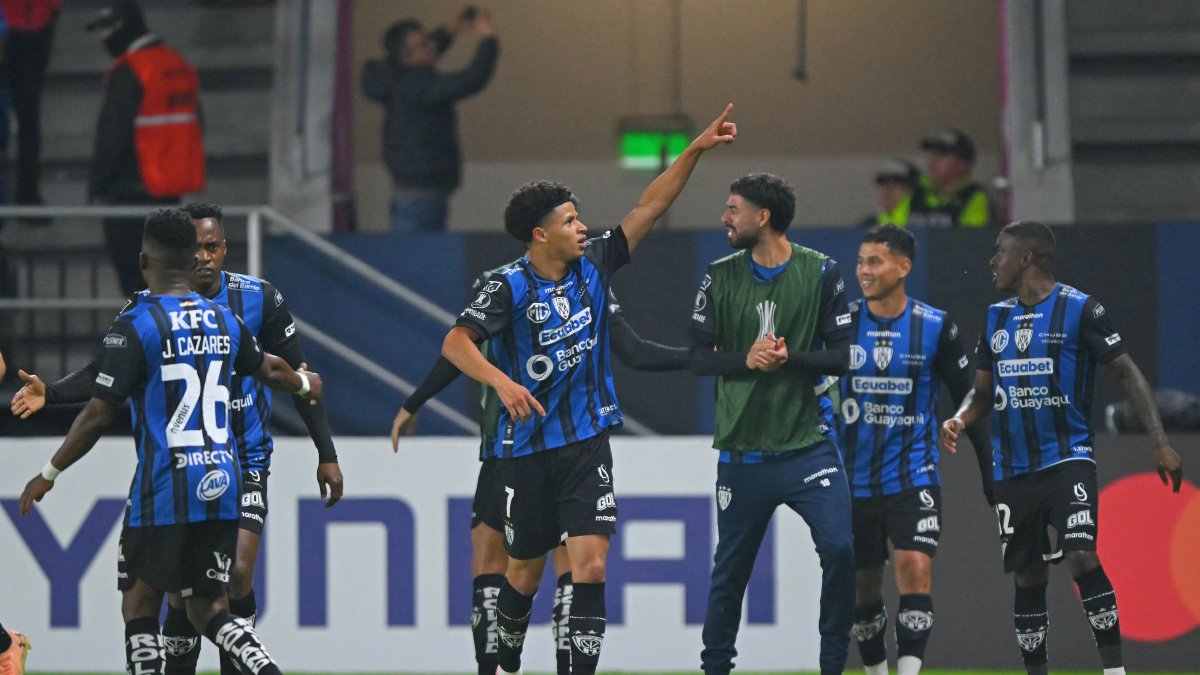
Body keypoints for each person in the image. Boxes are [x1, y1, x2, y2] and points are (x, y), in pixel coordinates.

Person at [439, 104, 735, 675]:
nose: (582, 227)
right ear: (540, 234)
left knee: (591, 568)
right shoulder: (507, 287)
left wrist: (695, 149)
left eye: (580, 218)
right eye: (571, 220)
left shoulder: (595, 265)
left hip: (587, 446)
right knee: (523, 575)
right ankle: (507, 642)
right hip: (527, 453)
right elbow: (455, 343)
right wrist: (502, 382)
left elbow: (651, 205)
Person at [9, 202, 344, 675]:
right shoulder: (223, 320)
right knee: (203, 604)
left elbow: (101, 410)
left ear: (144, 262)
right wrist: (306, 383)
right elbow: (271, 368)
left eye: (214, 246)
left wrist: (49, 472)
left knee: (142, 601)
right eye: (199, 248)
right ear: (189, 258)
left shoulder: (147, 319)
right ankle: (263, 667)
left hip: (168, 479)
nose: (206, 256)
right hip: (221, 473)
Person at [393, 274, 689, 675]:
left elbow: (461, 350)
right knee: (544, 567)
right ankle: (510, 665)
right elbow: (460, 347)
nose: (582, 239)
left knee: (528, 564)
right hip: (533, 443)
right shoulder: (534, 283)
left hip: (530, 445)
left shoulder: (521, 282)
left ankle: (509, 669)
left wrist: (414, 402)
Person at [940, 221, 1184, 675]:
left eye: (1000, 252)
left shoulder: (1080, 309)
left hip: (1068, 459)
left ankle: (1114, 671)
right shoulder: (996, 317)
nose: (992, 261)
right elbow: (983, 391)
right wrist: (960, 417)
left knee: (1081, 555)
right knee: (1028, 572)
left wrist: (1160, 441)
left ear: (1026, 259)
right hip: (1013, 469)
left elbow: (1126, 371)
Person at [689, 173, 854, 675]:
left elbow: (841, 357)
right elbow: (698, 359)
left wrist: (789, 359)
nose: (725, 217)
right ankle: (716, 668)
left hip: (809, 447)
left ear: (762, 217)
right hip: (743, 452)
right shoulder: (718, 276)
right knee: (730, 573)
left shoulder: (822, 272)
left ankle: (832, 667)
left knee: (840, 548)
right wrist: (746, 359)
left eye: (733, 209)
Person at [838, 225, 994, 675]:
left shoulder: (935, 326)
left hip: (913, 475)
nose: (863, 271)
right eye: (860, 262)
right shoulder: (841, 324)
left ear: (904, 267)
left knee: (914, 568)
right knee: (864, 590)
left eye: (874, 261)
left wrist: (991, 479)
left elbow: (971, 396)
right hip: (853, 482)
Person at [87, 0, 204, 295]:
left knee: (135, 285)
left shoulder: (131, 69)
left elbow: (112, 134)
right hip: (170, 192)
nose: (103, 39)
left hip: (128, 193)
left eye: (105, 30)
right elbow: (196, 124)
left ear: (121, 27)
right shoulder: (178, 66)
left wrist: (97, 184)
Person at [361, 6, 499, 232]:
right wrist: (487, 38)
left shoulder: (394, 75)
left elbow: (423, 51)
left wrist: (451, 29)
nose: (433, 45)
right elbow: (470, 79)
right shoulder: (418, 86)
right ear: (409, 56)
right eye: (425, 44)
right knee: (417, 252)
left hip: (412, 189)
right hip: (423, 194)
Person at [0, 0, 59, 207]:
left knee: (29, 120)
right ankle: (27, 196)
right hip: (20, 25)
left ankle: (28, 195)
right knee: (28, 122)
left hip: (35, 27)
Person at [909, 129, 990, 228]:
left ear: (961, 164)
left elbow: (972, 236)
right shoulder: (913, 191)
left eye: (942, 155)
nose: (933, 160)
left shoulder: (973, 197)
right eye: (933, 154)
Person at [861, 160, 919, 227]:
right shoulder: (870, 224)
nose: (886, 192)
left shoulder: (921, 223)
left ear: (907, 190)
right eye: (884, 186)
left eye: (892, 187)